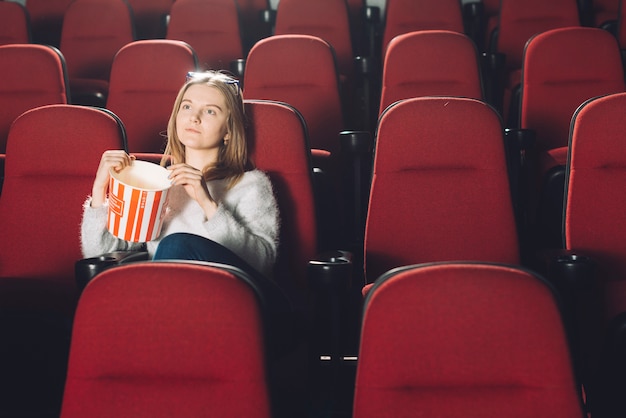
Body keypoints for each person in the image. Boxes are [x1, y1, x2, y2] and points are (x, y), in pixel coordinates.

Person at [81, 71, 292, 328]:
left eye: (210, 111)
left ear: (229, 130)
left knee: (175, 246)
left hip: (247, 311)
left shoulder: (251, 184)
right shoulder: (157, 186)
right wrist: (101, 187)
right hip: (178, 312)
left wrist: (207, 202)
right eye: (187, 106)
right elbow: (101, 255)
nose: (194, 117)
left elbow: (261, 261)